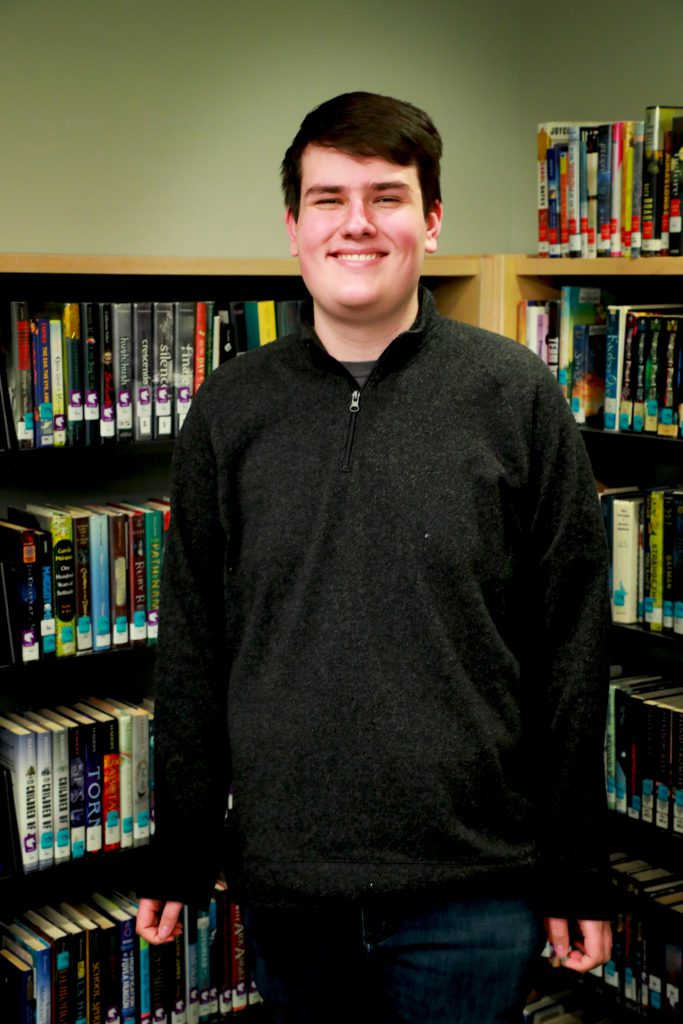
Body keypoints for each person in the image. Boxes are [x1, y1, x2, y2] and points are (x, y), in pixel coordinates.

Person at [136, 91, 613, 1023]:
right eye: (328, 199)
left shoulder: (512, 395)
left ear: (432, 222)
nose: (357, 223)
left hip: (473, 890)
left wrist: (576, 864)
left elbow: (569, 645)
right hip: (290, 888)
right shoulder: (231, 410)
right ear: (293, 228)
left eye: (387, 196)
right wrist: (183, 843)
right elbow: (194, 643)